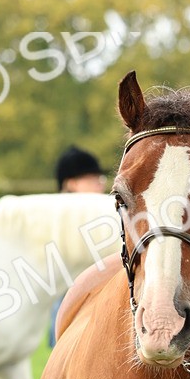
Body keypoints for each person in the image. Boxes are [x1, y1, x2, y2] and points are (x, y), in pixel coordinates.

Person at [48, 146, 108, 347]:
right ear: (72, 183)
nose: (100, 184)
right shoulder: (60, 216)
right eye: (92, 179)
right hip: (69, 290)